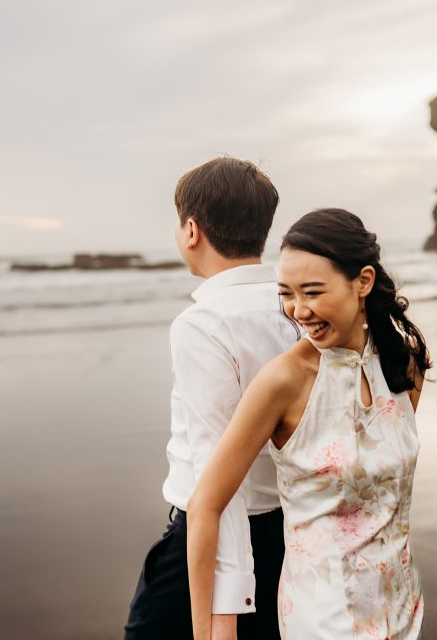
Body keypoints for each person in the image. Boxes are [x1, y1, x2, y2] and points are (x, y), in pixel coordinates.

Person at [187, 208, 431, 640]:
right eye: (286, 293)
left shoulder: (401, 363)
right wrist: (210, 631)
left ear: (364, 282)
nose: (299, 310)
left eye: (312, 292)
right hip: (324, 622)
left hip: (403, 611)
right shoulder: (283, 381)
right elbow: (206, 503)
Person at [124, 157, 299, 640]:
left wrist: (223, 614)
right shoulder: (301, 305)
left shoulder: (205, 324)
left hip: (211, 539)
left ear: (192, 231)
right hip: (295, 531)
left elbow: (216, 479)